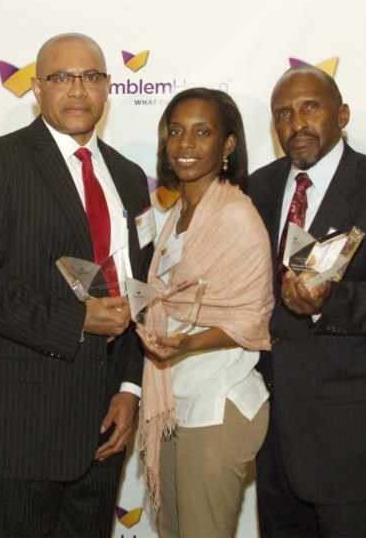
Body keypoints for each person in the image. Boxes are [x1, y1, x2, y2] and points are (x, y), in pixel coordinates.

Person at [0, 32, 153, 537]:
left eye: (91, 77)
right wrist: (74, 318)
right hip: (21, 430)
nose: (77, 90)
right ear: (37, 88)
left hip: (102, 432)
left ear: (107, 87)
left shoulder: (126, 174)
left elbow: (135, 290)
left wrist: (128, 388)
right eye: (61, 78)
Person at [250, 65, 366, 537]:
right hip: (275, 443)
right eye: (283, 113)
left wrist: (330, 301)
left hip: (356, 443)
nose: (297, 123)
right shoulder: (258, 188)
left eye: (310, 107)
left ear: (342, 114)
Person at [135, 88, 273, 537]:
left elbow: (250, 318)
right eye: (176, 131)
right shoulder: (176, 213)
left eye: (202, 132)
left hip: (219, 402)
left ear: (228, 144)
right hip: (176, 401)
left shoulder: (235, 214)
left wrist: (187, 343)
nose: (186, 144)